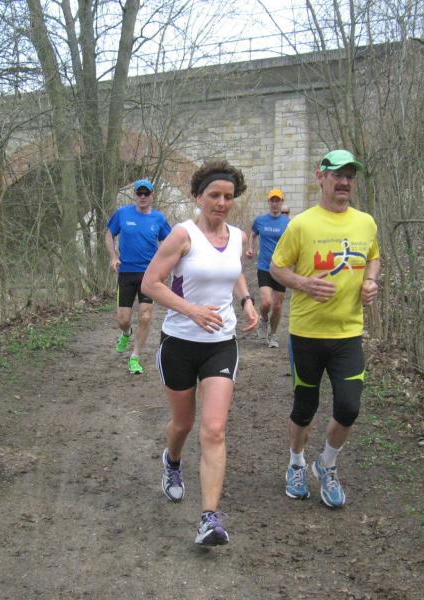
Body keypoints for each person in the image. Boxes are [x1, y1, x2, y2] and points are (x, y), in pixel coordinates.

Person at [141, 160, 258, 546]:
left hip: (221, 344)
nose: (221, 203)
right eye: (214, 195)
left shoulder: (238, 237)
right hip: (179, 342)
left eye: (228, 196)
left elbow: (232, 272)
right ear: (197, 197)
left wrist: (246, 301)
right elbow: (150, 283)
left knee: (214, 428)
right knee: (183, 424)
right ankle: (172, 461)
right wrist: (191, 310)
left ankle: (209, 519)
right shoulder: (182, 235)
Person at [269, 149, 381, 509]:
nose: (344, 182)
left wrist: (371, 281)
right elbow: (276, 268)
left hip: (348, 333)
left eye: (350, 176)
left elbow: (373, 257)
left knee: (349, 407)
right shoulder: (301, 225)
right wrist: (303, 283)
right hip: (307, 333)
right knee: (305, 407)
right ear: (321, 177)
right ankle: (296, 463)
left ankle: (327, 465)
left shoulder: (366, 223)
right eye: (337, 175)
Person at [105, 178, 172, 374]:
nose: (143, 197)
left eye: (146, 193)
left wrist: (165, 266)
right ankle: (126, 333)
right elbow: (109, 234)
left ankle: (135, 357)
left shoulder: (158, 219)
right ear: (134, 195)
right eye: (139, 193)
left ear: (152, 195)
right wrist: (113, 257)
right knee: (123, 319)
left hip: (149, 274)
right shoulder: (122, 214)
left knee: (145, 316)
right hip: (126, 272)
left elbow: (170, 243)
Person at [246, 188, 290, 348]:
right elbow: (253, 234)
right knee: (266, 302)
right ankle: (263, 319)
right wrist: (250, 248)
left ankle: (273, 335)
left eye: (277, 200)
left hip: (281, 268)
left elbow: (293, 242)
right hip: (264, 267)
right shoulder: (260, 220)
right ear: (268, 202)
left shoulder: (287, 223)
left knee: (277, 306)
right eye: (272, 200)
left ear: (282, 202)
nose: (275, 203)